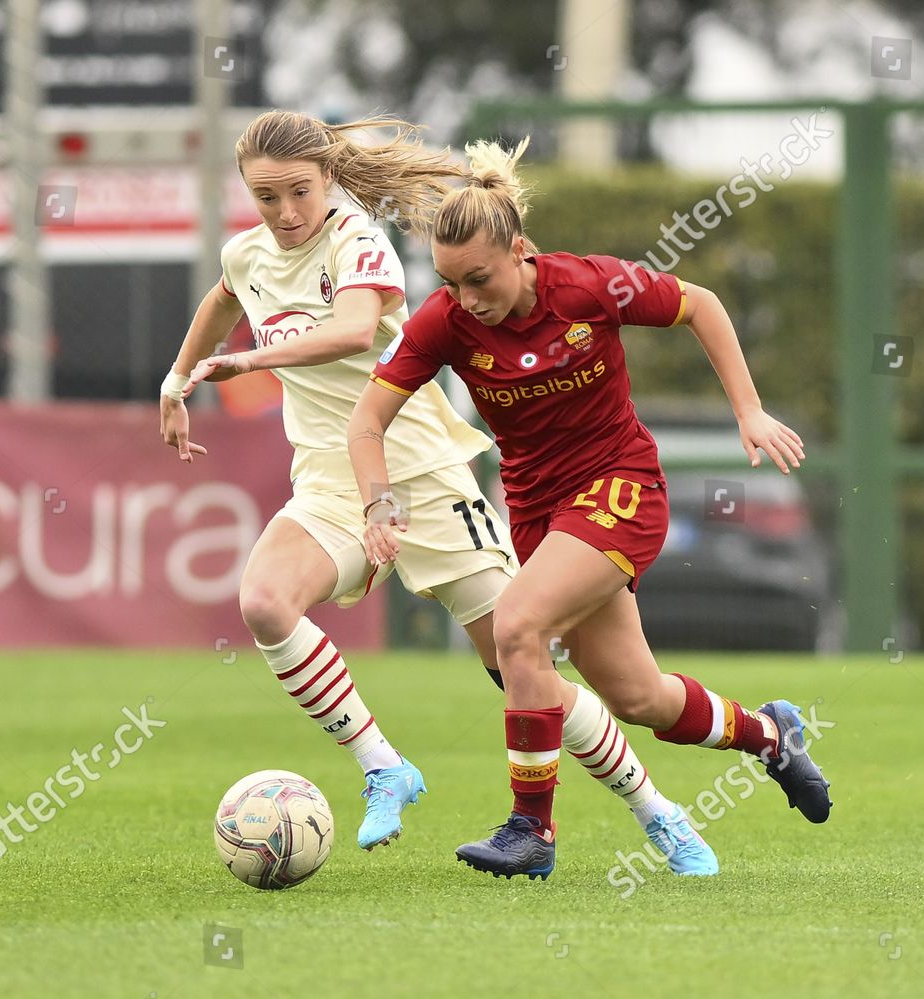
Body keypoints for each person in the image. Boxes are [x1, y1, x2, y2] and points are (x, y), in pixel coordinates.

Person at [163, 110, 715, 873]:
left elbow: (358, 330)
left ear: (327, 180)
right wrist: (176, 375)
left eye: (298, 192)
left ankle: (658, 811)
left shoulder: (356, 241)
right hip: (330, 480)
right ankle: (384, 765)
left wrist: (250, 361)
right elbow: (225, 294)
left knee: (526, 671)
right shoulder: (249, 251)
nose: (286, 213)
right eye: (265, 197)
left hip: (422, 476)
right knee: (263, 601)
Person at [348, 136, 832, 880]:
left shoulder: (589, 286)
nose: (466, 298)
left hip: (620, 486)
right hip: (540, 512)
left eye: (479, 278)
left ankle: (531, 829)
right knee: (641, 698)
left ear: (519, 249)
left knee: (517, 624)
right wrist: (379, 503)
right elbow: (366, 422)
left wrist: (750, 409)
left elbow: (700, 304)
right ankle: (772, 736)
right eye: (451, 283)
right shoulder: (446, 320)